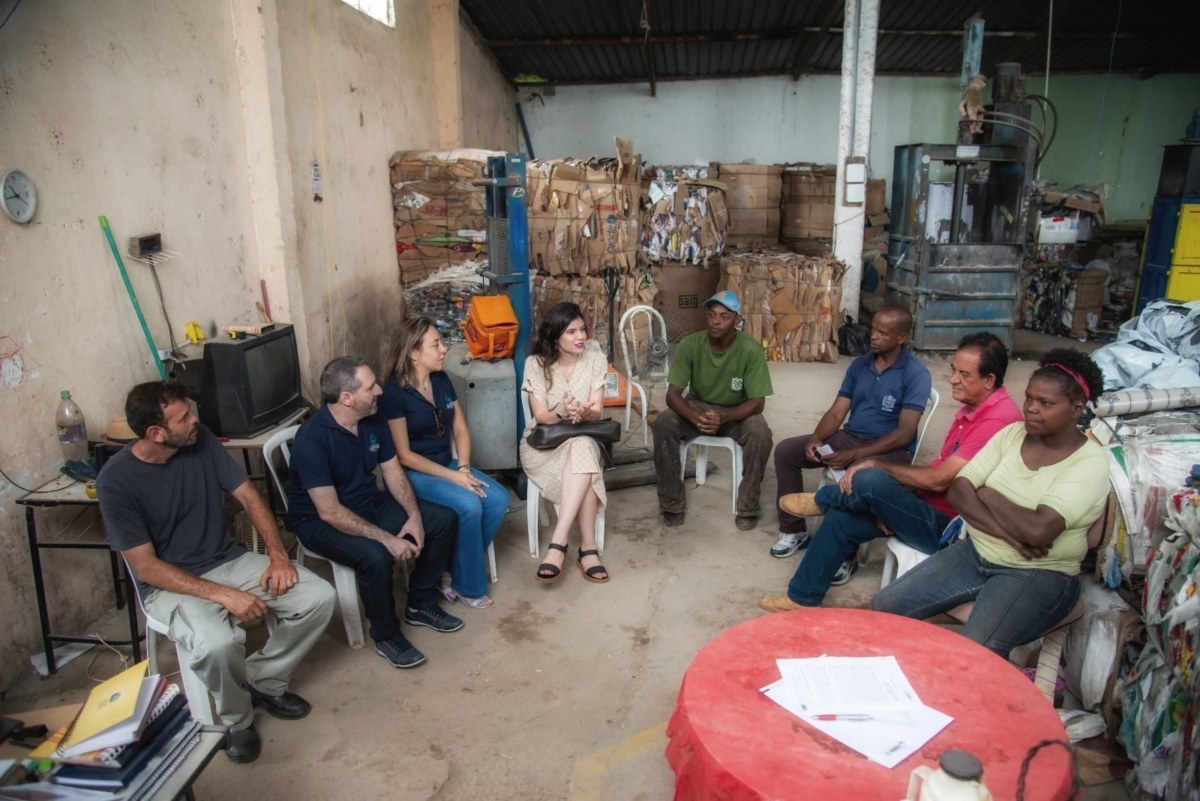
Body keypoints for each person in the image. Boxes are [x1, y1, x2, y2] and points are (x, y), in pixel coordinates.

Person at [98, 382, 336, 764]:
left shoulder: (200, 438)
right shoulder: (115, 481)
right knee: (217, 644)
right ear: (156, 433)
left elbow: (248, 496)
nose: (195, 420)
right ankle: (238, 720)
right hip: (169, 585)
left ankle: (263, 680)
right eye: (183, 418)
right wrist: (224, 595)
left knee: (318, 597)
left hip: (227, 559)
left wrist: (277, 556)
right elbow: (146, 566)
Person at [871, 349, 1109, 657]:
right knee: (884, 607)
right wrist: (1006, 533)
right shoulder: (1012, 434)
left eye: (1046, 403)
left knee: (976, 653)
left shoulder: (1088, 462)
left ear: (1076, 408)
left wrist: (987, 493)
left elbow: (1038, 531)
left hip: (1039, 572)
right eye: (1029, 398)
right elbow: (959, 491)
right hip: (976, 552)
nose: (1031, 408)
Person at [759, 333, 1023, 610]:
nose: (953, 379)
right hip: (927, 509)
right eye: (953, 370)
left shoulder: (996, 420)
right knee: (843, 517)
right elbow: (939, 474)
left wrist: (878, 466)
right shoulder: (974, 408)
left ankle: (822, 500)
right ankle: (801, 598)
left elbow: (940, 480)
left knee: (871, 476)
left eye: (964, 374)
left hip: (952, 530)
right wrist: (890, 508)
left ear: (989, 380)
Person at [288, 356, 462, 671]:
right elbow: (329, 512)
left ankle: (420, 603)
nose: (380, 390)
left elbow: (393, 472)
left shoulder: (372, 418)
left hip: (368, 501)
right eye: (370, 387)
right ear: (346, 398)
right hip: (317, 521)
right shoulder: (312, 440)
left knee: (443, 520)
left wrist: (414, 516)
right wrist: (388, 539)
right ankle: (386, 635)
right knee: (376, 556)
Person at [771, 305, 931, 557]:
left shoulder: (915, 374)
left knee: (858, 476)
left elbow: (904, 433)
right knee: (786, 451)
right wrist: (817, 438)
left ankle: (846, 555)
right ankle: (794, 531)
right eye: (873, 329)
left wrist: (856, 455)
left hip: (890, 450)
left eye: (883, 333)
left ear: (901, 337)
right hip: (851, 438)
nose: (873, 337)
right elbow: (837, 412)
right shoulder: (860, 365)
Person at [380, 317, 511, 609]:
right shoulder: (393, 393)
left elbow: (460, 429)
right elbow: (404, 455)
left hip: (446, 465)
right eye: (436, 344)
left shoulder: (440, 379)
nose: (444, 350)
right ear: (414, 353)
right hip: (412, 474)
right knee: (469, 505)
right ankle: (469, 587)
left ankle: (449, 567)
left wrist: (463, 467)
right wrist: (454, 477)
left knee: (497, 499)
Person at [652, 290, 774, 530]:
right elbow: (672, 395)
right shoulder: (690, 344)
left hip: (735, 411)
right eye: (712, 314)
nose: (716, 321)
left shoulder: (750, 349)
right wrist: (695, 417)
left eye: (724, 316)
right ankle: (671, 503)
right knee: (663, 423)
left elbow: (757, 402)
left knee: (760, 432)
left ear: (737, 320)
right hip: (697, 405)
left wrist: (724, 416)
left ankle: (748, 505)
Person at [521, 302, 610, 584]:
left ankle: (558, 543)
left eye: (582, 329)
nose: (580, 337)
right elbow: (541, 416)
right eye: (571, 332)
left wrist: (584, 412)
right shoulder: (536, 364)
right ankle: (588, 550)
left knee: (582, 445)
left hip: (584, 437)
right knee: (585, 464)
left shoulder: (595, 360)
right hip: (545, 444)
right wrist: (561, 411)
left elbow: (597, 411)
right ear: (555, 336)